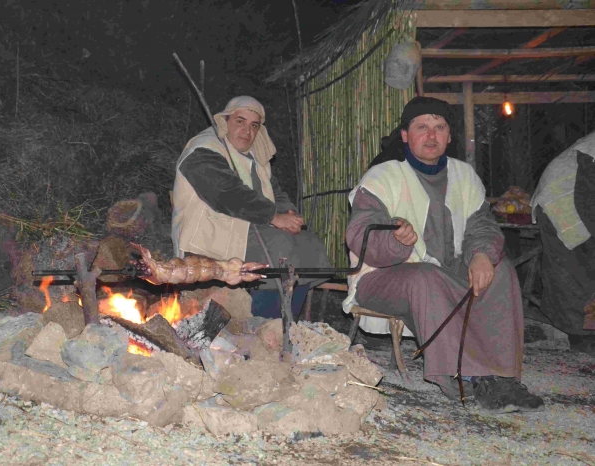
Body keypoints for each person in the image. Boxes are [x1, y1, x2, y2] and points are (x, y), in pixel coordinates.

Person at [344, 96, 544, 413]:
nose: (432, 135)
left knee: (500, 269)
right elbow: (359, 233)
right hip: (383, 277)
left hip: (445, 271)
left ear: (449, 136)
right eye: (422, 127)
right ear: (406, 135)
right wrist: (396, 236)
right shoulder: (384, 176)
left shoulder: (464, 175)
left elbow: (482, 225)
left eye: (439, 127)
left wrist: (480, 254)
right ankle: (467, 376)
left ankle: (502, 376)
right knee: (426, 277)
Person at [171, 95, 331, 318]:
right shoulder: (203, 149)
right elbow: (225, 193)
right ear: (225, 121)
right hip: (211, 234)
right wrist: (274, 217)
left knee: (308, 244)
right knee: (279, 246)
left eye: (253, 125)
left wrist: (288, 213)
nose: (247, 130)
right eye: (240, 121)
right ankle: (262, 321)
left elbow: (274, 191)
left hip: (248, 227)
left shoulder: (255, 158)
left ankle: (287, 323)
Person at [531, 130, 595, 355]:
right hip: (561, 200)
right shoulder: (591, 151)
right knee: (574, 273)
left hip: (578, 199)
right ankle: (582, 339)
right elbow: (587, 199)